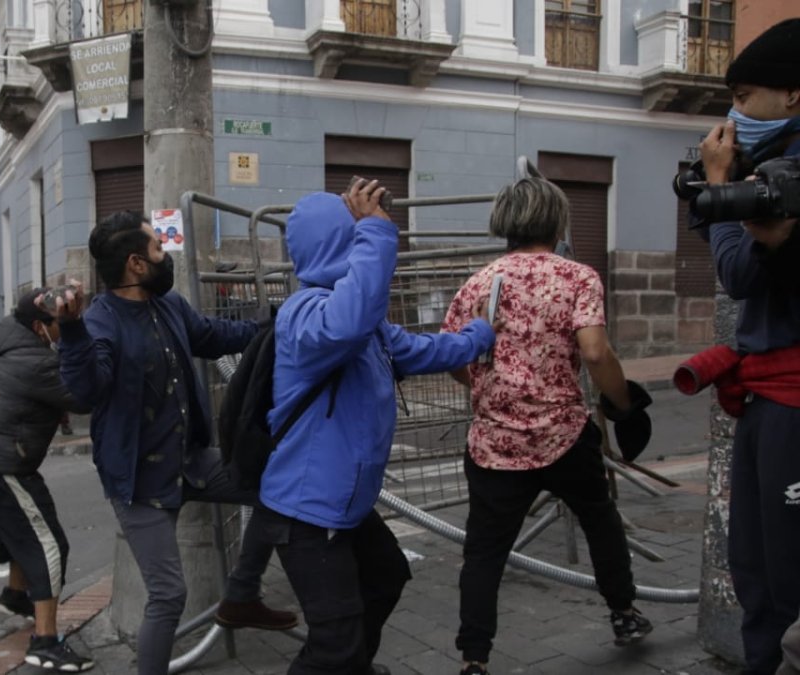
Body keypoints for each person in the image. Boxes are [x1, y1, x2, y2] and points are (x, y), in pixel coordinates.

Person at [253, 182, 494, 675]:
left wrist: (479, 333)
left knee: (385, 576)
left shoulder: (366, 324)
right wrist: (377, 234)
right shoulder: (306, 314)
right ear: (341, 242)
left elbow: (421, 350)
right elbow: (345, 324)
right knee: (333, 642)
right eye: (354, 233)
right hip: (308, 511)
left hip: (343, 504)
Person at [48, 210, 297, 675]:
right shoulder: (100, 321)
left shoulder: (169, 305)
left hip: (193, 461)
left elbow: (214, 335)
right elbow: (85, 392)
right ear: (136, 264)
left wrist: (279, 321)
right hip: (140, 480)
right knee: (168, 596)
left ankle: (242, 596)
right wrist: (73, 331)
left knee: (281, 488)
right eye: (158, 248)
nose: (167, 256)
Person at [442, 177, 652, 675]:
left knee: (484, 552)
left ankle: (475, 659)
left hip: (494, 441)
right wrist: (622, 401)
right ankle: (623, 614)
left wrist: (483, 386)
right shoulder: (577, 277)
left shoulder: (478, 282)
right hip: (563, 433)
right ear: (556, 221)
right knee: (600, 521)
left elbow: (452, 354)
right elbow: (596, 352)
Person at [696, 18, 800, 675]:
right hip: (766, 396)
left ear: (792, 94)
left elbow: (739, 273)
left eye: (746, 95)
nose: (735, 112)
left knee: (785, 565)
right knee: (754, 559)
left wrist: (722, 194)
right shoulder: (773, 160)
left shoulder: (787, 174)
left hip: (791, 399)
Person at [0, 290, 94, 671]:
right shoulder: (36, 362)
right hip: (5, 463)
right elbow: (83, 397)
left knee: (25, 527)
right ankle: (45, 642)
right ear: (40, 328)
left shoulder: (17, 339)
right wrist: (80, 341)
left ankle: (16, 594)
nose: (65, 325)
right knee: (50, 544)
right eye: (60, 321)